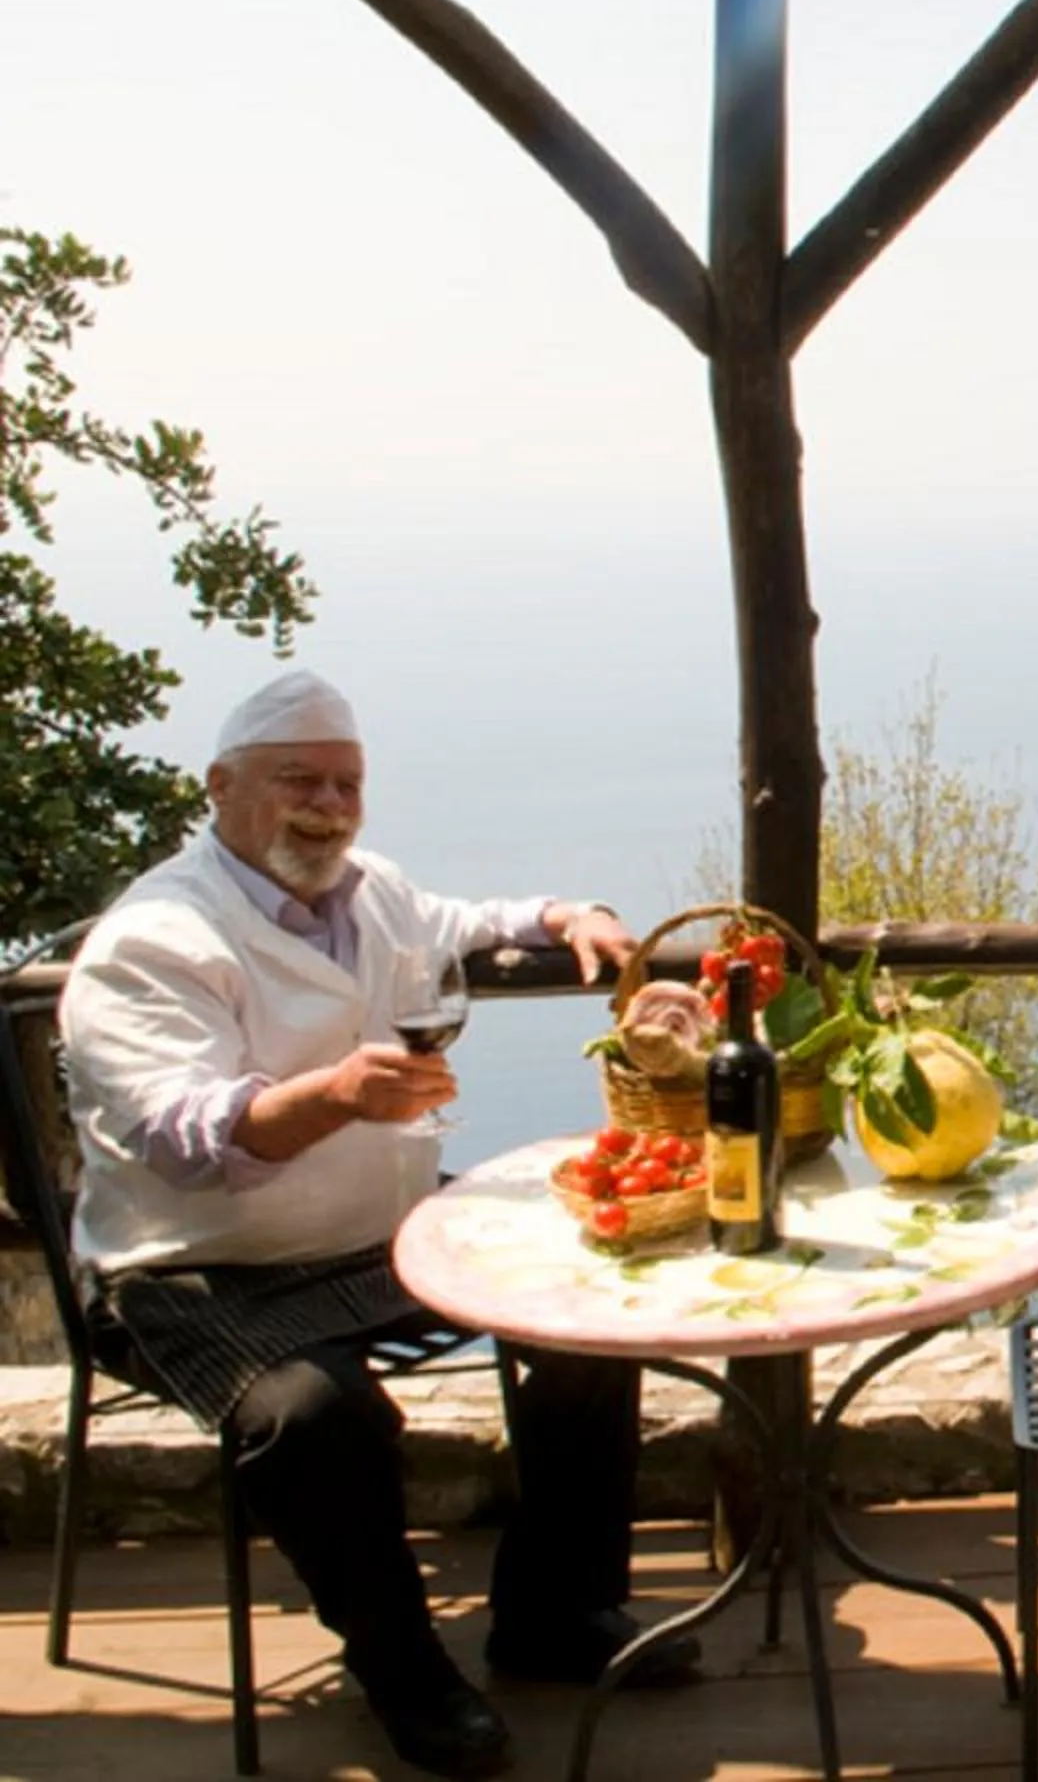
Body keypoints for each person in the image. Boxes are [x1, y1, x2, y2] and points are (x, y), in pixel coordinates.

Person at [58, 669, 681, 1780]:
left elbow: (476, 923)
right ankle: (404, 1674)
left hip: (380, 1239)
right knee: (315, 1413)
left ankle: (554, 1616)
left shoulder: (371, 889)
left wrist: (569, 916)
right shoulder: (152, 940)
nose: (328, 805)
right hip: (195, 1272)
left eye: (347, 783)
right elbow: (179, 1137)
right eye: (300, 780)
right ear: (220, 788)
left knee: (591, 1307)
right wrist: (338, 1094)